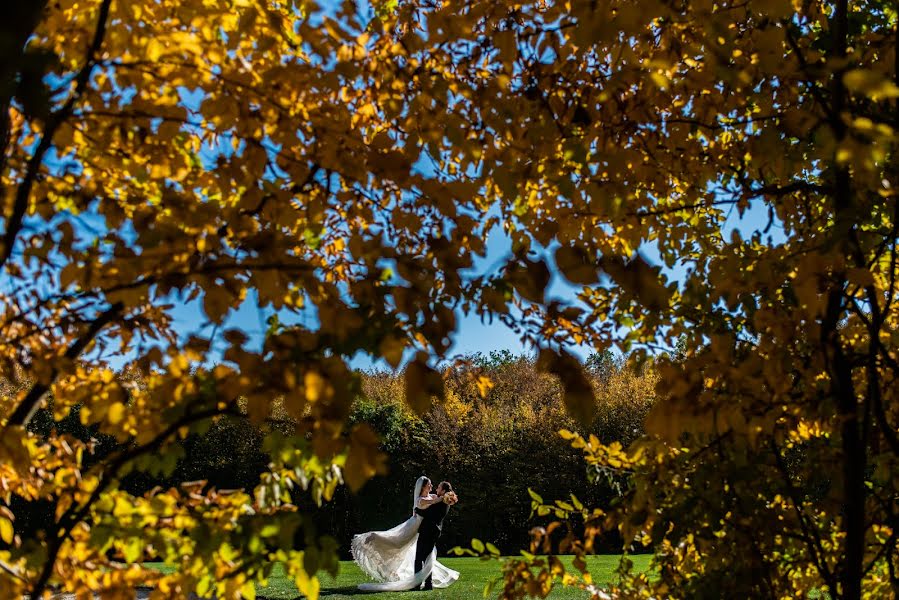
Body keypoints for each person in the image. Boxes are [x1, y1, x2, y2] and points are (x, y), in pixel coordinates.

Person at [351, 476, 459, 591]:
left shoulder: (436, 498)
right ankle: (374, 537)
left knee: (421, 557)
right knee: (397, 541)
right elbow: (431, 503)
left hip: (426, 529)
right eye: (430, 485)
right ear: (423, 487)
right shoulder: (425, 499)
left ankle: (421, 584)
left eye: (437, 487)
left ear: (443, 490)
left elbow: (430, 511)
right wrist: (443, 497)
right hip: (414, 526)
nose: (433, 487)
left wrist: (443, 497)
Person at [413, 481, 453, 590]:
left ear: (444, 490)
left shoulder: (442, 501)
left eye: (439, 487)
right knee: (427, 558)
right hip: (434, 531)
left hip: (428, 530)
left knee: (418, 558)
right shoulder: (445, 500)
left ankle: (417, 585)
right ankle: (428, 584)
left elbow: (430, 514)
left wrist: (417, 510)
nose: (437, 488)